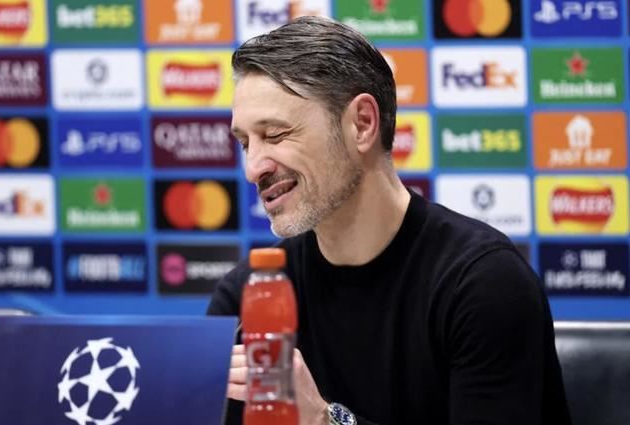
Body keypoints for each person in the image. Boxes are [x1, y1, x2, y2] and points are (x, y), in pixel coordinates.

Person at [207, 16, 571, 425]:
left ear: (362, 124)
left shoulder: (482, 283)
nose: (253, 169)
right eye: (245, 144)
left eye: (275, 135)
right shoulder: (248, 295)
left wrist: (324, 420)